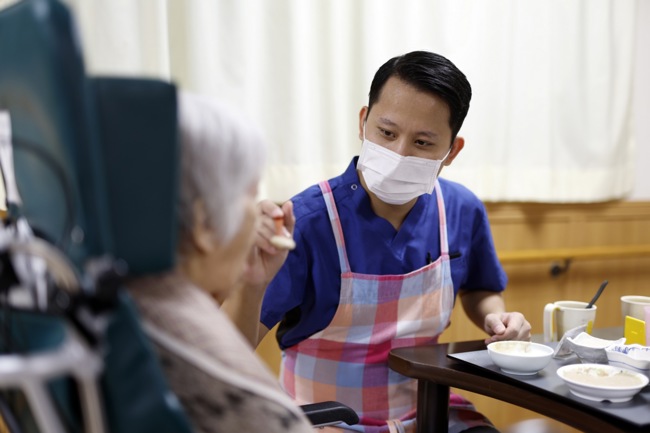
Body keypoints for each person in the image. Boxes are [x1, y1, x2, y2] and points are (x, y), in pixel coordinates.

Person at [230, 51, 532, 433]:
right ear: (363, 122)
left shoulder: (460, 209)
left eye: (422, 142)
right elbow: (230, 351)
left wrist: (496, 316)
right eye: (387, 133)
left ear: (452, 151)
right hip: (326, 418)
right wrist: (250, 285)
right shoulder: (307, 222)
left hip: (428, 409)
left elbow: (480, 288)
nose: (398, 153)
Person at [127, 92, 314, 433]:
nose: (259, 213)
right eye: (251, 194)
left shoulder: (132, 302)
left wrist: (253, 283)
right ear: (205, 225)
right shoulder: (203, 361)